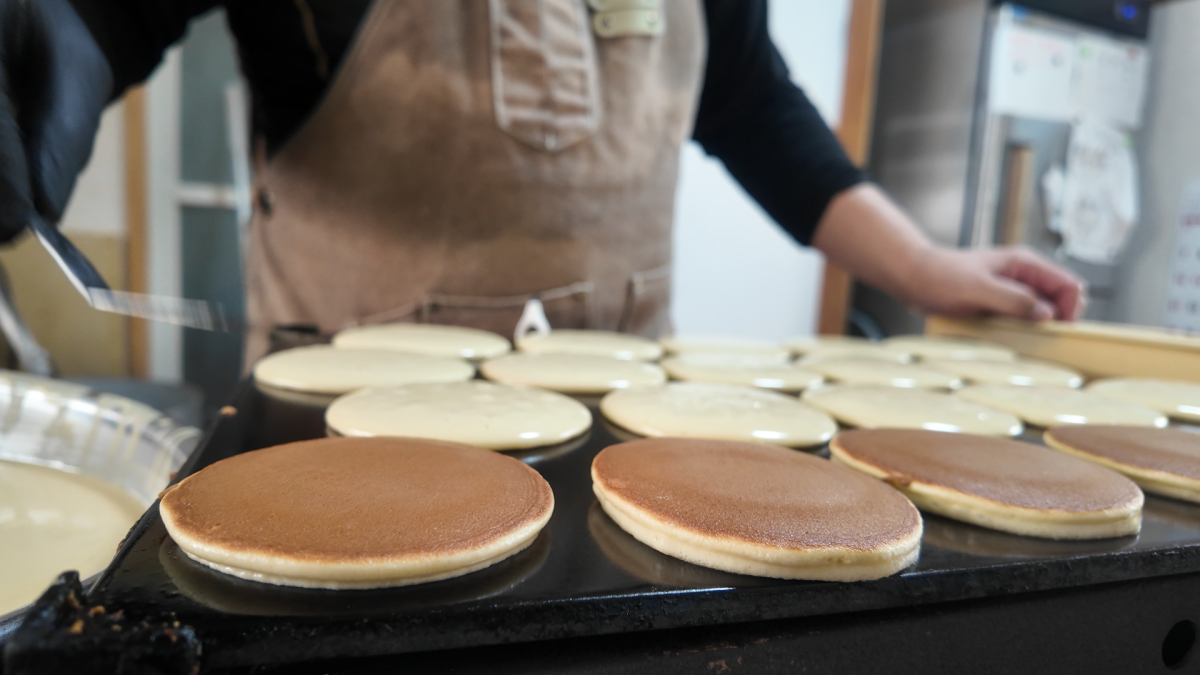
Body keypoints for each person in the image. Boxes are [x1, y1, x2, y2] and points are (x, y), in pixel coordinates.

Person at [0, 0, 1085, 361]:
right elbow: (96, 15)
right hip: (340, 434)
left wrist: (925, 266)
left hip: (624, 428)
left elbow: (749, 100)